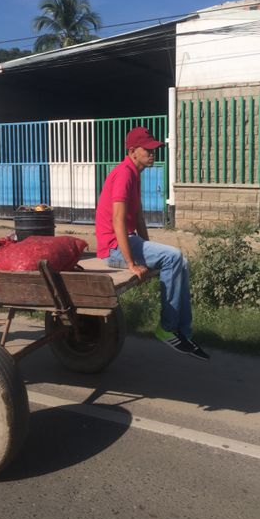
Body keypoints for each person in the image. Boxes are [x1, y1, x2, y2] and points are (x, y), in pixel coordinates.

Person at [95, 126, 209, 361]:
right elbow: (117, 220)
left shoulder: (134, 174)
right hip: (114, 247)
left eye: (153, 148)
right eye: (147, 149)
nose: (152, 153)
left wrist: (149, 252)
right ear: (132, 151)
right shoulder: (124, 173)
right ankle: (167, 327)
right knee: (174, 255)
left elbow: (137, 218)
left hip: (129, 241)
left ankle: (182, 332)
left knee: (182, 262)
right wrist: (131, 263)